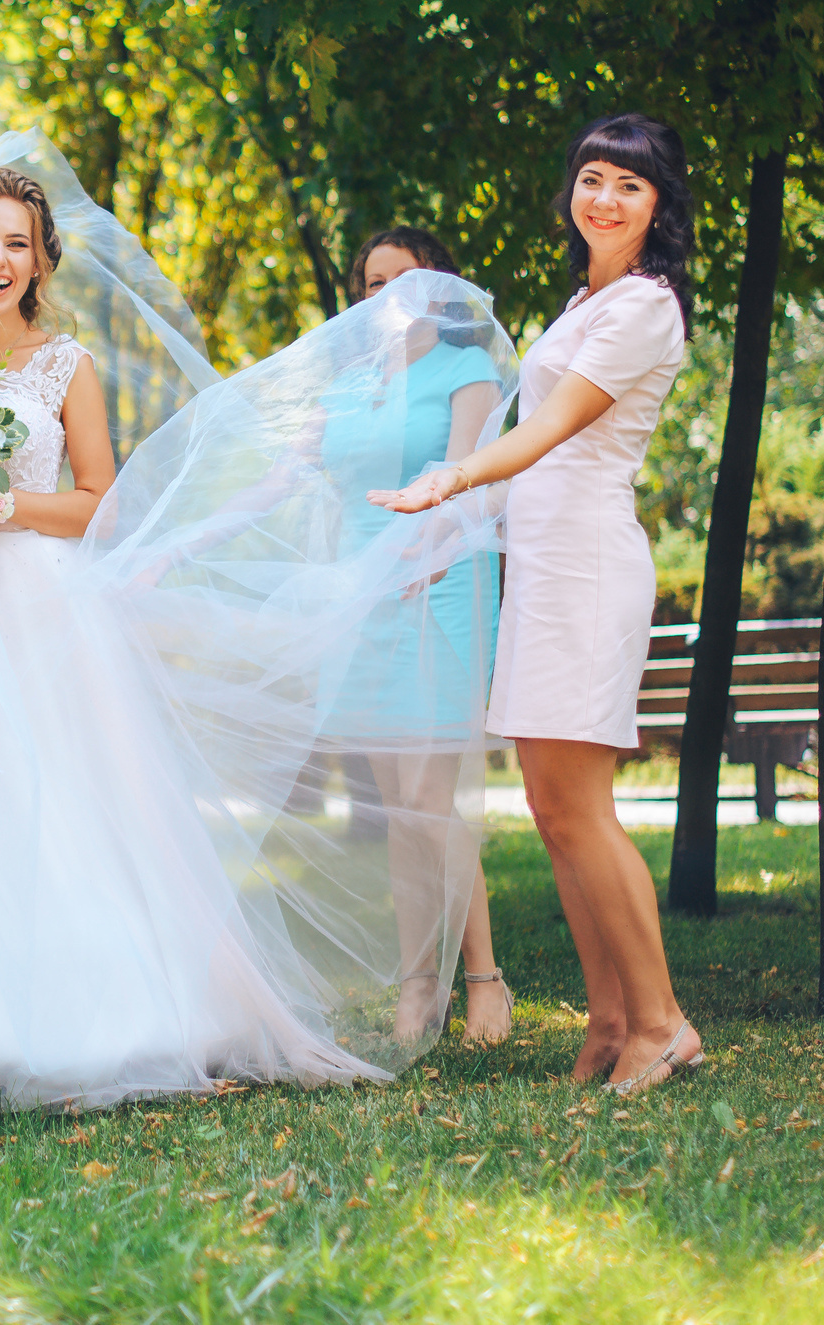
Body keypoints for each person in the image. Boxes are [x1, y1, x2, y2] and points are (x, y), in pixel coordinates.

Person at [0, 136, 511, 1122]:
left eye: (16, 241)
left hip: (42, 603)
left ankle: (90, 1019)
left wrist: (3, 505)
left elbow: (96, 499)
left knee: (63, 800)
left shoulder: (65, 363)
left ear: (41, 260)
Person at [370, 114, 702, 1095]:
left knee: (582, 809)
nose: (603, 198)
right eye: (591, 178)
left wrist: (451, 474)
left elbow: (550, 431)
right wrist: (445, 535)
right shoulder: (583, 303)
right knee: (552, 809)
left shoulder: (643, 307)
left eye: (629, 186)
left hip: (588, 566)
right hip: (543, 563)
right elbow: (524, 472)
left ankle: (662, 1020)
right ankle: (606, 1021)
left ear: (659, 206)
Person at [328, 228, 510, 1046]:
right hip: (369, 595)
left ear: (437, 288)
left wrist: (433, 550)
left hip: (444, 584)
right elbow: (287, 473)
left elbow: (475, 479)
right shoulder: (349, 383)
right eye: (373, 282)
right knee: (400, 805)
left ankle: (484, 980)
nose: (388, 293)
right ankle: (416, 985)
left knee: (432, 799)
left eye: (404, 278)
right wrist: (173, 545)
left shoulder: (464, 369)